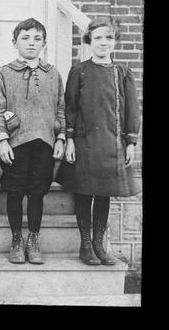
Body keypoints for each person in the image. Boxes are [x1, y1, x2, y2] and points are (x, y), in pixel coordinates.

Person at [56, 17, 141, 265]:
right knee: (84, 192)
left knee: (104, 194)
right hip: (84, 142)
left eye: (109, 38)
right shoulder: (79, 70)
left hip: (111, 144)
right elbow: (70, 107)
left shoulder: (122, 72)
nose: (103, 43)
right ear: (89, 42)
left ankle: (99, 244)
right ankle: (85, 244)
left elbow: (132, 110)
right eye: (98, 38)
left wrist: (131, 142)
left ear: (115, 41)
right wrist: (69, 139)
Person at [0, 18, 65, 264]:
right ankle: (16, 239)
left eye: (37, 38)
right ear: (15, 42)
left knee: (37, 192)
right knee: (14, 192)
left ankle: (33, 239)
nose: (31, 43)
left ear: (44, 43)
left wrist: (61, 138)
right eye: (25, 38)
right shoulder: (5, 73)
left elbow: (61, 109)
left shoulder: (52, 74)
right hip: (16, 143)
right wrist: (2, 140)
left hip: (44, 141)